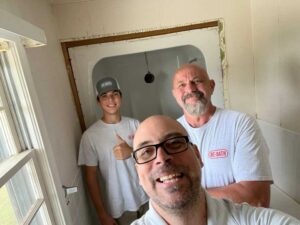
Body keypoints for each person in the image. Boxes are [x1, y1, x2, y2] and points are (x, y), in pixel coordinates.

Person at [131, 115, 300, 225]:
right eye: (146, 152)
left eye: (175, 143)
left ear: (198, 156)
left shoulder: (259, 221)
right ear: (138, 173)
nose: (161, 158)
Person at [171, 64, 273, 207]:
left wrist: (184, 199)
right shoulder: (170, 134)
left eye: (197, 81)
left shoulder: (240, 124)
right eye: (182, 85)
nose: (190, 89)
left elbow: (256, 197)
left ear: (211, 86)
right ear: (174, 94)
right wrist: (232, 191)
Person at [78, 77, 148, 225]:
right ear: (98, 101)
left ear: (120, 96)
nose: (110, 99)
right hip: (119, 208)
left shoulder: (135, 124)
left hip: (147, 198)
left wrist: (130, 151)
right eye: (104, 95)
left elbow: (151, 157)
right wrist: (102, 215)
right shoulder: (90, 136)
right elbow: (90, 177)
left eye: (114, 93)